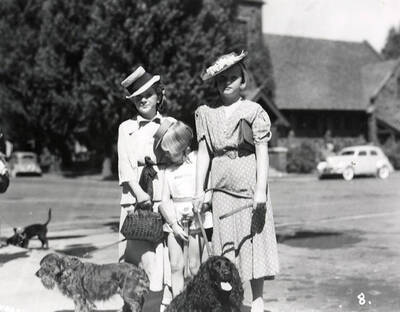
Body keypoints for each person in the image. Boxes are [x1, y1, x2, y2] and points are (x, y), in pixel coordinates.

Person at [193, 51, 279, 312]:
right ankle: (229, 300)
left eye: (233, 78)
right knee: (225, 244)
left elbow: (262, 153)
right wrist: (199, 191)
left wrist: (261, 192)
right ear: (215, 84)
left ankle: (257, 300)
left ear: (243, 81)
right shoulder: (206, 114)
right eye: (221, 79)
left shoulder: (254, 111)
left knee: (253, 240)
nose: (227, 83)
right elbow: (204, 155)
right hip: (220, 190)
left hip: (249, 187)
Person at [118, 66, 175, 310]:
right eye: (138, 96)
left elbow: (179, 161)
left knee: (166, 261)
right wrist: (140, 194)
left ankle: (162, 306)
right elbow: (124, 166)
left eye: (148, 94)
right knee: (135, 263)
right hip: (135, 198)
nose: (144, 99)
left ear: (158, 95)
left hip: (164, 195)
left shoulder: (170, 123)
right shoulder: (125, 128)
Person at [158, 121, 212, 299]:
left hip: (197, 220)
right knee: (175, 265)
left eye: (169, 151)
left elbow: (208, 188)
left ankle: (199, 303)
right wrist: (173, 224)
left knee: (195, 266)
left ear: (182, 147)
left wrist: (202, 205)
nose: (166, 155)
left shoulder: (198, 160)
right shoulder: (168, 171)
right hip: (175, 223)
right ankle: (178, 302)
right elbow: (164, 201)